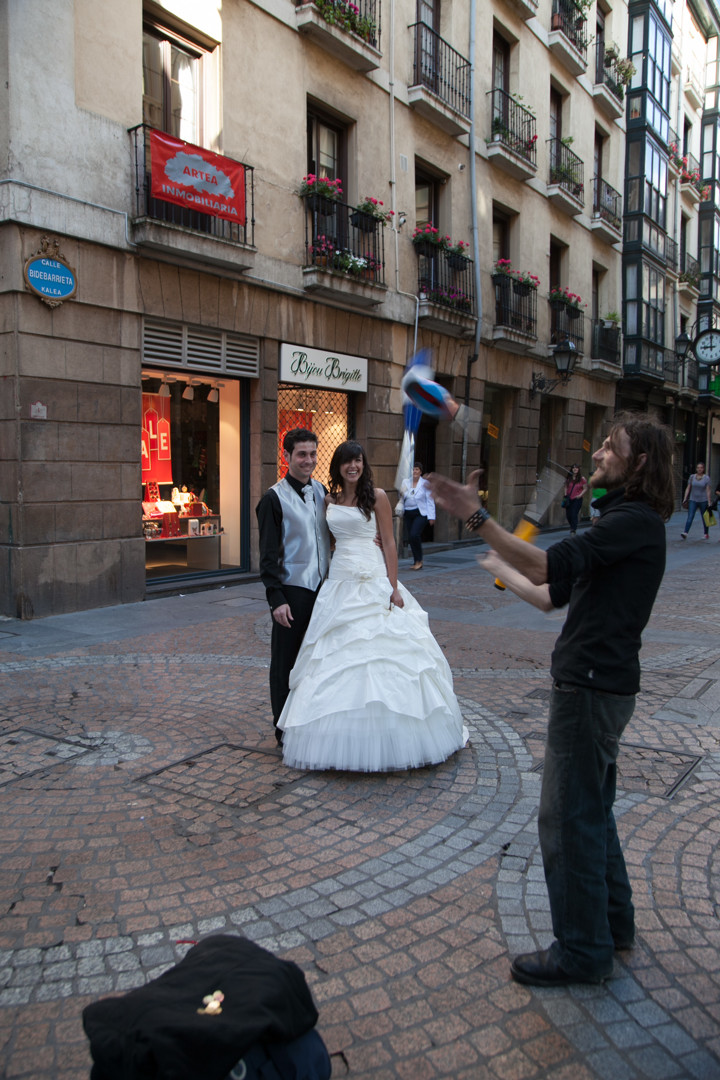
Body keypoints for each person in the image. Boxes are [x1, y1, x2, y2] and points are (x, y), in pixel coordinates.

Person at [429, 413, 674, 987]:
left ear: (638, 464)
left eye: (609, 449)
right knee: (592, 814)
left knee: (564, 820)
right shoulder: (621, 522)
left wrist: (478, 516)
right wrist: (495, 561)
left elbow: (543, 562)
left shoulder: (633, 522)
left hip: (590, 690)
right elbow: (546, 593)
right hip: (599, 685)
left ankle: (583, 951)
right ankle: (613, 927)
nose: (596, 457)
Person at [277, 441, 467, 772]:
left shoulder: (377, 497)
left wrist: (393, 587)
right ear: (337, 466)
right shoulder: (329, 499)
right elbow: (330, 540)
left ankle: (394, 738)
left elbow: (390, 542)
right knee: (335, 656)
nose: (353, 467)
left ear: (364, 464)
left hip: (374, 577)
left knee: (383, 655)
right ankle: (335, 739)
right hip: (339, 582)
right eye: (347, 462)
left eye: (358, 461)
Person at [256, 429, 331, 745]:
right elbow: (268, 557)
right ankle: (283, 730)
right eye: (302, 454)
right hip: (292, 592)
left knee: (316, 661)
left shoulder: (322, 491)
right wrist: (276, 599)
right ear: (286, 456)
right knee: (285, 663)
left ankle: (310, 722)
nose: (309, 460)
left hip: (324, 593)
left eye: (313, 454)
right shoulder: (272, 499)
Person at [397, 462, 435, 570]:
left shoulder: (425, 484)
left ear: (420, 472)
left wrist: (432, 516)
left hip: (420, 513)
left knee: (414, 534)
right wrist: (401, 492)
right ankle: (416, 561)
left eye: (417, 469)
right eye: (413, 469)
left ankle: (419, 559)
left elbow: (430, 500)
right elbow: (400, 496)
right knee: (411, 537)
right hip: (408, 512)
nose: (415, 471)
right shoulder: (406, 482)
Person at [681, 462, 712, 540]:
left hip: (703, 500)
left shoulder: (706, 478)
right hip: (693, 500)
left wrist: (709, 501)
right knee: (690, 516)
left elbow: (708, 490)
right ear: (696, 469)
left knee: (704, 517)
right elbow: (688, 488)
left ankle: (706, 534)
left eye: (701, 468)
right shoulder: (692, 477)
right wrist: (685, 498)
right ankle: (685, 532)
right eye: (698, 468)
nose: (699, 469)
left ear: (703, 469)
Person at [563, 463, 587, 535]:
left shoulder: (582, 479)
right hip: (568, 498)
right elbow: (566, 487)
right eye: (573, 468)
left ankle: (573, 529)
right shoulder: (569, 478)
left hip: (577, 499)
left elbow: (585, 488)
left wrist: (580, 495)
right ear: (571, 469)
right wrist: (565, 494)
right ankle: (572, 526)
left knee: (573, 514)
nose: (575, 469)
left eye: (576, 468)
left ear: (578, 469)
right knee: (568, 515)